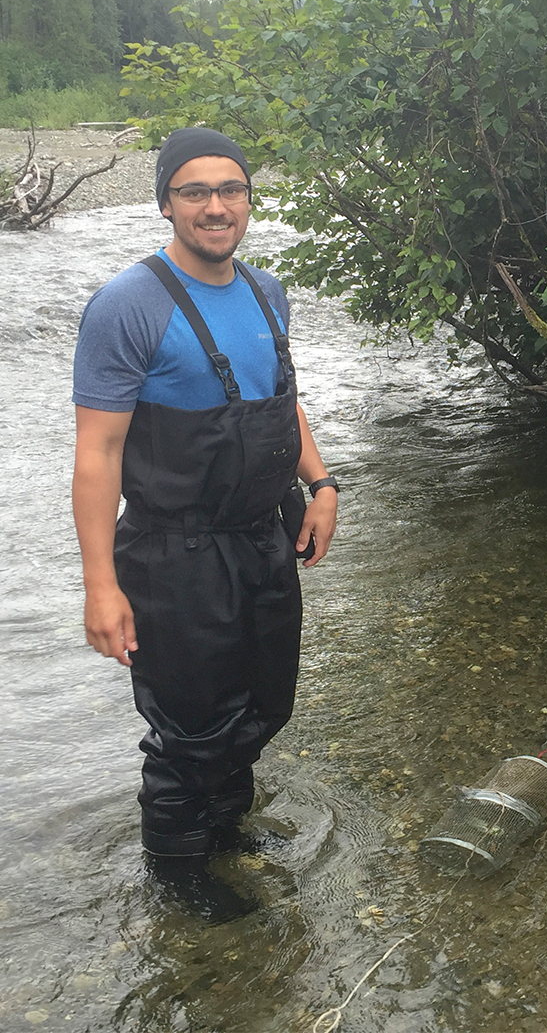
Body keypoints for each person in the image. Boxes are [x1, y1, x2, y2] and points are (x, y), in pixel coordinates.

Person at [72, 128, 342, 923]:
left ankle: (223, 830)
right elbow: (99, 454)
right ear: (166, 203)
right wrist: (101, 587)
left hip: (261, 536)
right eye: (195, 192)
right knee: (191, 725)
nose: (216, 207)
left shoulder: (267, 291)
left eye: (232, 190)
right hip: (174, 550)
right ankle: (177, 872)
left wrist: (320, 483)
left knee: (263, 702)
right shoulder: (127, 306)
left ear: (250, 201)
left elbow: (279, 397)